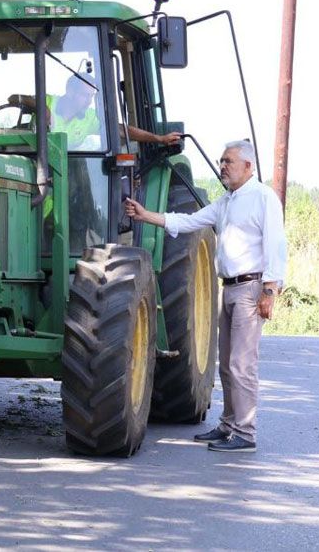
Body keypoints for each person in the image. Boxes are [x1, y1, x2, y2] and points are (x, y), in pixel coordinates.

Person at [123, 139, 287, 453]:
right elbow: (188, 221)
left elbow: (276, 246)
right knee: (226, 364)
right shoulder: (226, 201)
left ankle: (246, 433)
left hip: (252, 289)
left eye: (229, 161)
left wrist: (270, 290)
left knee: (242, 364)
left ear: (248, 166)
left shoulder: (264, 198)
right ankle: (228, 425)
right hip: (229, 288)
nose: (223, 166)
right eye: (222, 161)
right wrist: (146, 216)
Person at [8, 75, 181, 148]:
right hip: (36, 166)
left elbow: (121, 130)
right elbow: (13, 98)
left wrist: (158, 138)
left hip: (68, 172)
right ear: (70, 90)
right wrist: (38, 106)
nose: (89, 101)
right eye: (85, 95)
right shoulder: (48, 101)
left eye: (91, 96)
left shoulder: (89, 118)